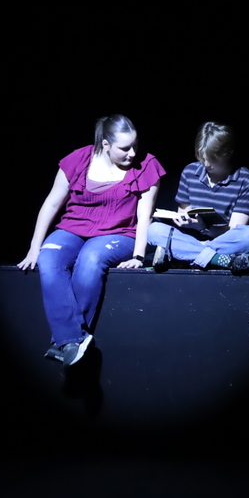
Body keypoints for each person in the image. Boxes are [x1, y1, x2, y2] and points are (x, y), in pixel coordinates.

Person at [17, 114, 164, 366]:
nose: (132, 153)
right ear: (106, 145)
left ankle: (64, 342)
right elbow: (52, 203)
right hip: (73, 229)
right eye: (125, 148)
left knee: (91, 258)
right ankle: (73, 342)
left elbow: (144, 216)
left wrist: (139, 255)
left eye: (135, 146)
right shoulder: (78, 160)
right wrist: (34, 248)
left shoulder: (146, 166)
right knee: (49, 257)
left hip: (118, 234)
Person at [148, 122, 249, 272]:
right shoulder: (190, 172)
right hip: (189, 238)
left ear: (227, 153)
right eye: (202, 157)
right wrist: (184, 221)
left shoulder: (245, 180)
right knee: (154, 230)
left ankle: (184, 256)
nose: (206, 163)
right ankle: (219, 260)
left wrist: (204, 228)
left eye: (212, 158)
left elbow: (235, 229)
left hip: (222, 240)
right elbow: (184, 212)